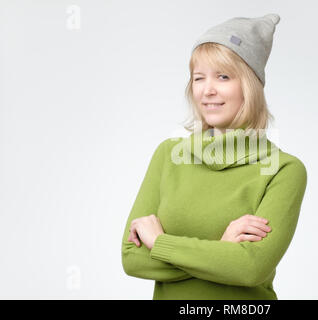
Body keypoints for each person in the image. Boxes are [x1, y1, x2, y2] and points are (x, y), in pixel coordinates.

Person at [121, 13, 308, 300]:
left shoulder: (284, 170)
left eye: (223, 76)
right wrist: (222, 249)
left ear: (250, 85)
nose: (208, 90)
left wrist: (159, 242)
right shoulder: (168, 155)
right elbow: (132, 258)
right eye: (199, 78)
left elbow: (250, 268)